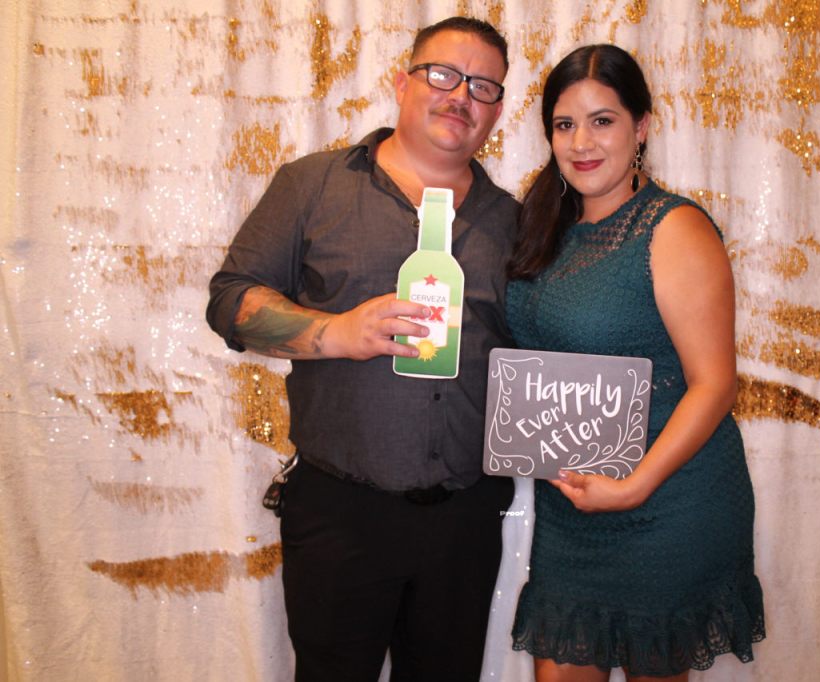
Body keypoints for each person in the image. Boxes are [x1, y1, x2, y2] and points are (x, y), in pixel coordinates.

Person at [206, 17, 517, 682]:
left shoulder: (513, 221)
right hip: (340, 514)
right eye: (443, 74)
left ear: (497, 110)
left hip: (464, 520)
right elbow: (229, 301)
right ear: (401, 83)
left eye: (483, 86)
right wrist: (335, 333)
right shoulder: (313, 184)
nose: (461, 95)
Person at [506, 44, 766, 681]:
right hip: (571, 509)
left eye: (603, 120)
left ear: (641, 126)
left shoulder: (672, 228)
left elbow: (715, 384)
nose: (581, 143)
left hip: (666, 503)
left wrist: (634, 486)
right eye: (564, 124)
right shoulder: (546, 225)